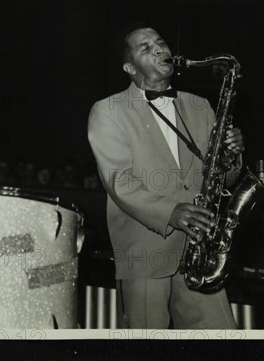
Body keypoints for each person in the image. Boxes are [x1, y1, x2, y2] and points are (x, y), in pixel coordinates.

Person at [87, 25, 244, 329]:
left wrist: (232, 155)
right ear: (129, 68)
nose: (159, 49)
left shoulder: (200, 106)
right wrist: (170, 213)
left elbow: (224, 179)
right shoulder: (108, 111)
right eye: (146, 48)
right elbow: (119, 181)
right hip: (145, 251)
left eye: (160, 43)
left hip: (201, 248)